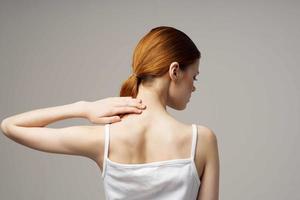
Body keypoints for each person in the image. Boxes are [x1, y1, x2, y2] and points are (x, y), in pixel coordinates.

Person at [1, 26, 219, 200]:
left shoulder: (104, 140)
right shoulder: (202, 140)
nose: (194, 86)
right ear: (174, 71)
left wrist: (82, 108)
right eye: (195, 76)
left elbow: (10, 126)